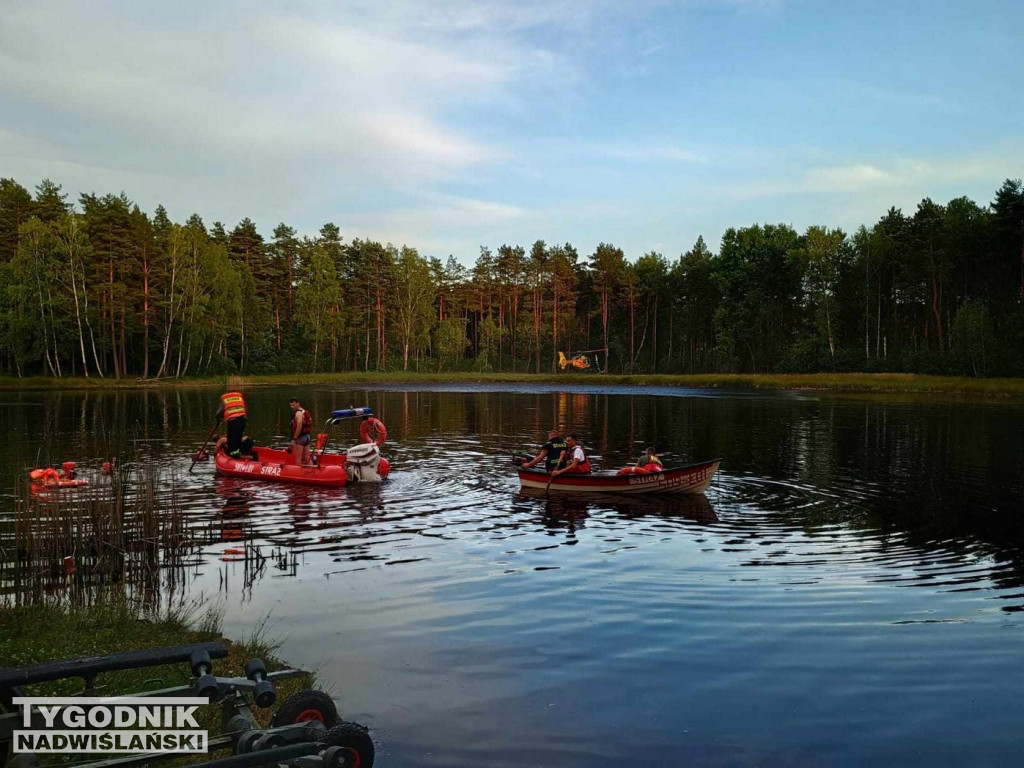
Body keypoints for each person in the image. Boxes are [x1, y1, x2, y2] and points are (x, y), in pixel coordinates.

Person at [216, 391, 247, 458]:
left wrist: (218, 420)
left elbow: (218, 413)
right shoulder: (239, 396)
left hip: (233, 421)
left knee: (232, 440)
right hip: (243, 419)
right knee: (238, 438)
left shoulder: (224, 398)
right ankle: (238, 452)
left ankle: (233, 455)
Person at [288, 398, 313, 465]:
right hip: (307, 437)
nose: (292, 407)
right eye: (291, 405)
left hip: (300, 438)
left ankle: (298, 473)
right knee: (307, 457)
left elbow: (299, 427)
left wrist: (294, 439)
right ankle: (312, 472)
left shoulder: (298, 414)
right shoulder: (304, 412)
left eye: (293, 405)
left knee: (298, 458)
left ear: (298, 403)